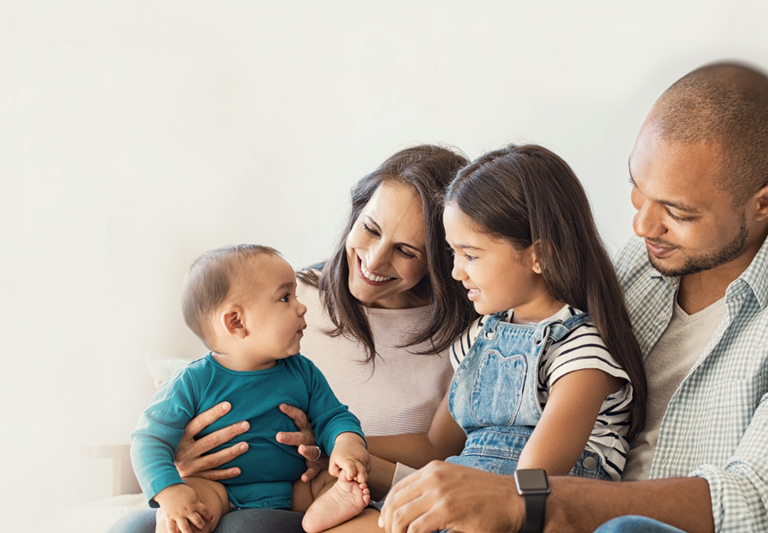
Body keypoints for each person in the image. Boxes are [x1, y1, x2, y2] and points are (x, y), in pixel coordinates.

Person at [377, 62, 768, 533]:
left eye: (677, 212)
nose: (642, 227)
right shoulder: (640, 265)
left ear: (762, 204)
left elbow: (752, 498)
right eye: (637, 192)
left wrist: (530, 498)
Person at [108, 145, 476, 533]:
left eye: (406, 250)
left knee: (248, 528)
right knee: (132, 526)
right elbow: (215, 385)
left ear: (442, 255)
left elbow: (439, 454)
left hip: (321, 488)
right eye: (369, 229)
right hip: (225, 484)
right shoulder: (276, 298)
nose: (374, 260)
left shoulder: (467, 337)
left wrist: (337, 449)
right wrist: (176, 462)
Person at [130, 244, 371, 533]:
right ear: (236, 322)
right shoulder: (191, 381)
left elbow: (333, 416)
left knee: (334, 480)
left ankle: (322, 513)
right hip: (218, 489)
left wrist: (347, 446)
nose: (301, 306)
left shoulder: (303, 371)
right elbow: (148, 440)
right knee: (186, 514)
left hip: (296, 487)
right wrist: (169, 493)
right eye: (285, 297)